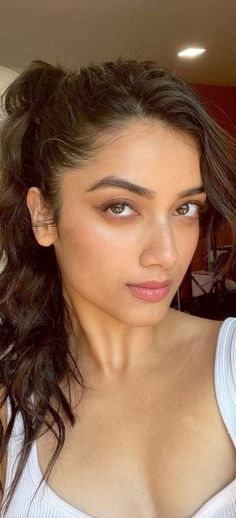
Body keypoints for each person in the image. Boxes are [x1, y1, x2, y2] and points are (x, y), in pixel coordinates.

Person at [0, 58, 235, 518]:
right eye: (121, 207)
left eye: (185, 208)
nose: (166, 254)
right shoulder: (11, 417)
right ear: (44, 215)